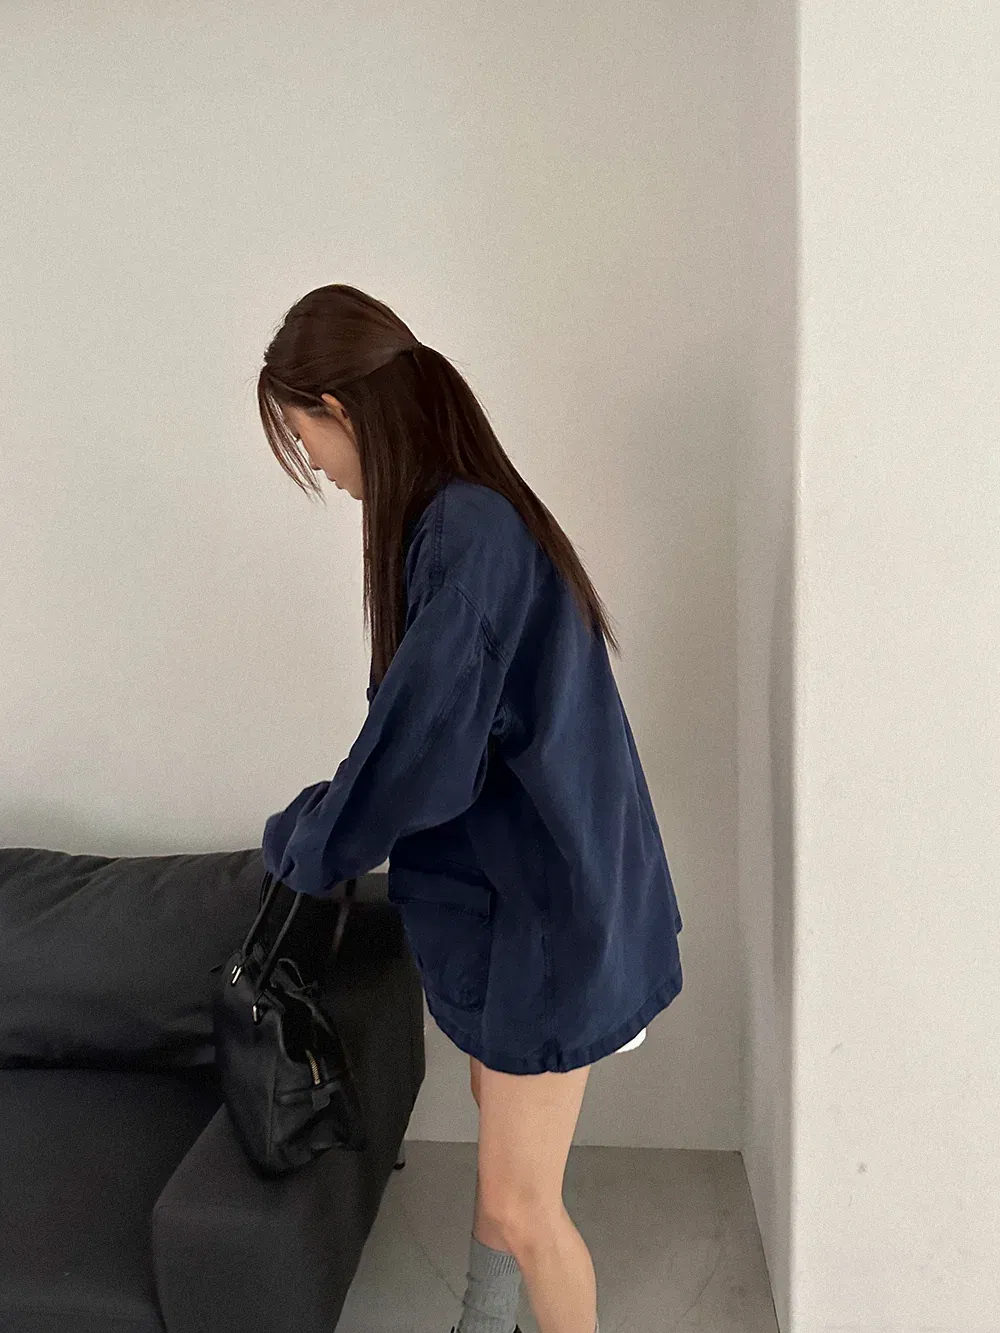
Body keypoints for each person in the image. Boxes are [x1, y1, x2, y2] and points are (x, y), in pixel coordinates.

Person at [257, 284, 683, 1333]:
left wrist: (307, 838)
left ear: (338, 407)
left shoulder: (464, 530)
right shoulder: (459, 518)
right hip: (536, 897)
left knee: (525, 1206)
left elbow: (418, 753)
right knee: (505, 1158)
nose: (316, 466)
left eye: (305, 437)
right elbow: (429, 735)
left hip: (545, 914)